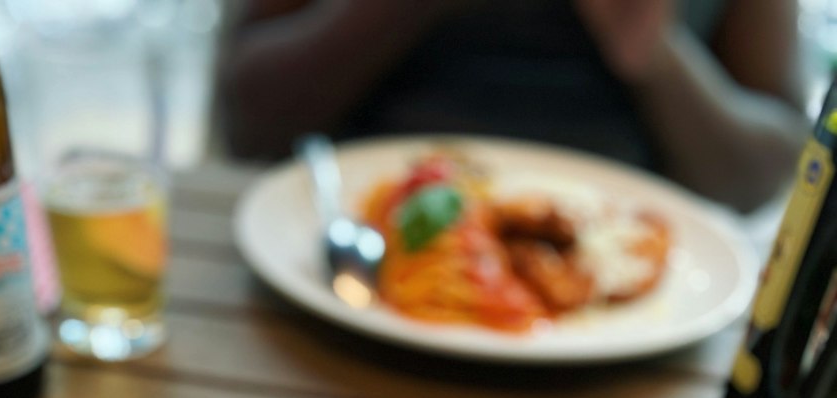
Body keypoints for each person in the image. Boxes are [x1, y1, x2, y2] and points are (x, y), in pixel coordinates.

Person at [218, 0, 808, 212]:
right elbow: (248, 120)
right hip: (353, 276)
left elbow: (766, 175)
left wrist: (653, 51)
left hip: (627, 328)